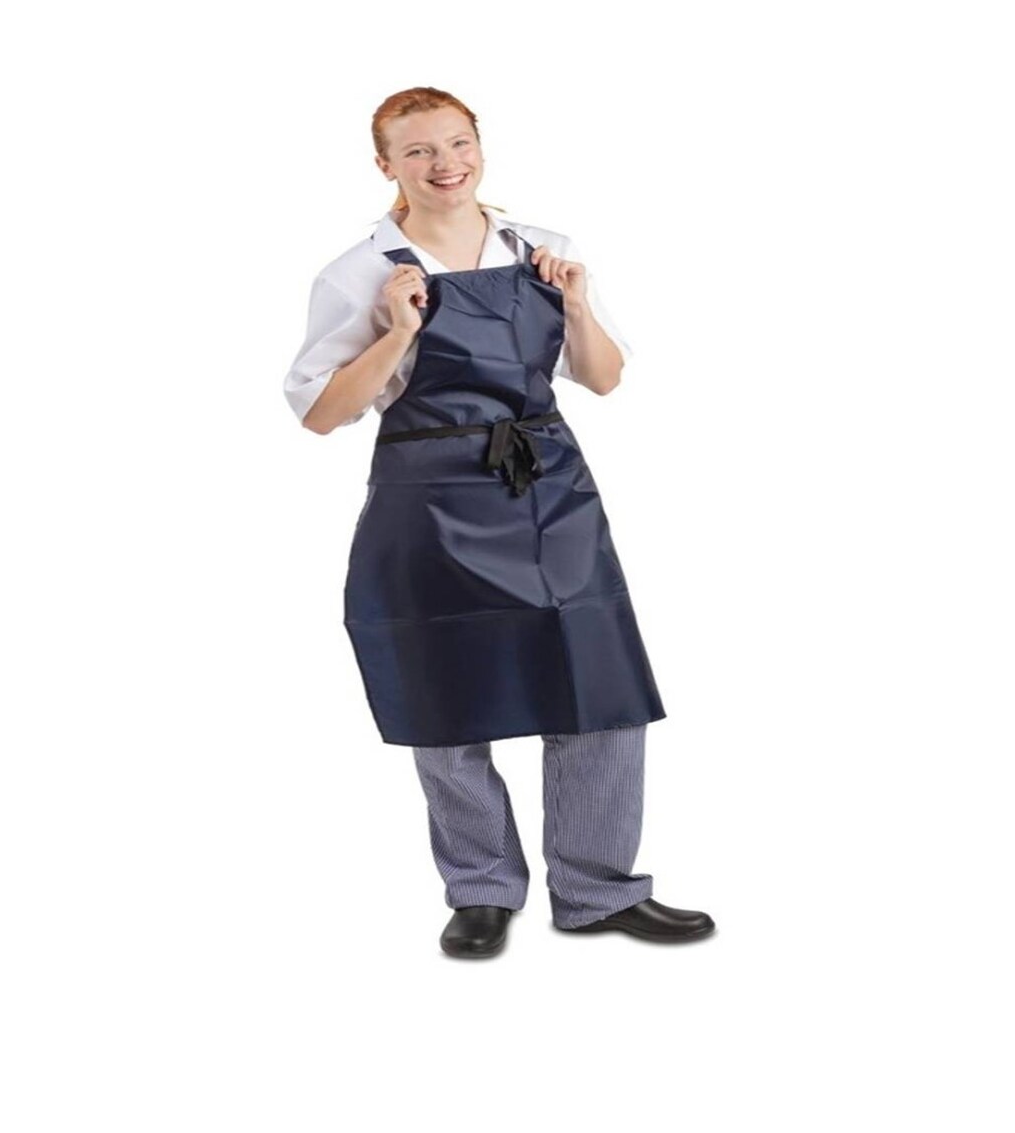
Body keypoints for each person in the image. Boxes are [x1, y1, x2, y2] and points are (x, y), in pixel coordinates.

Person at [285, 86, 715, 957]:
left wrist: (577, 304)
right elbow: (323, 413)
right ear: (386, 165)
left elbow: (603, 378)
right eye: (418, 151)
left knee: (598, 687)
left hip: (548, 489)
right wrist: (396, 333)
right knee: (445, 690)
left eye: (457, 143)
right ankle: (481, 890)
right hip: (428, 500)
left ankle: (598, 890)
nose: (444, 164)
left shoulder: (541, 249)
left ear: (479, 146)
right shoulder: (359, 273)